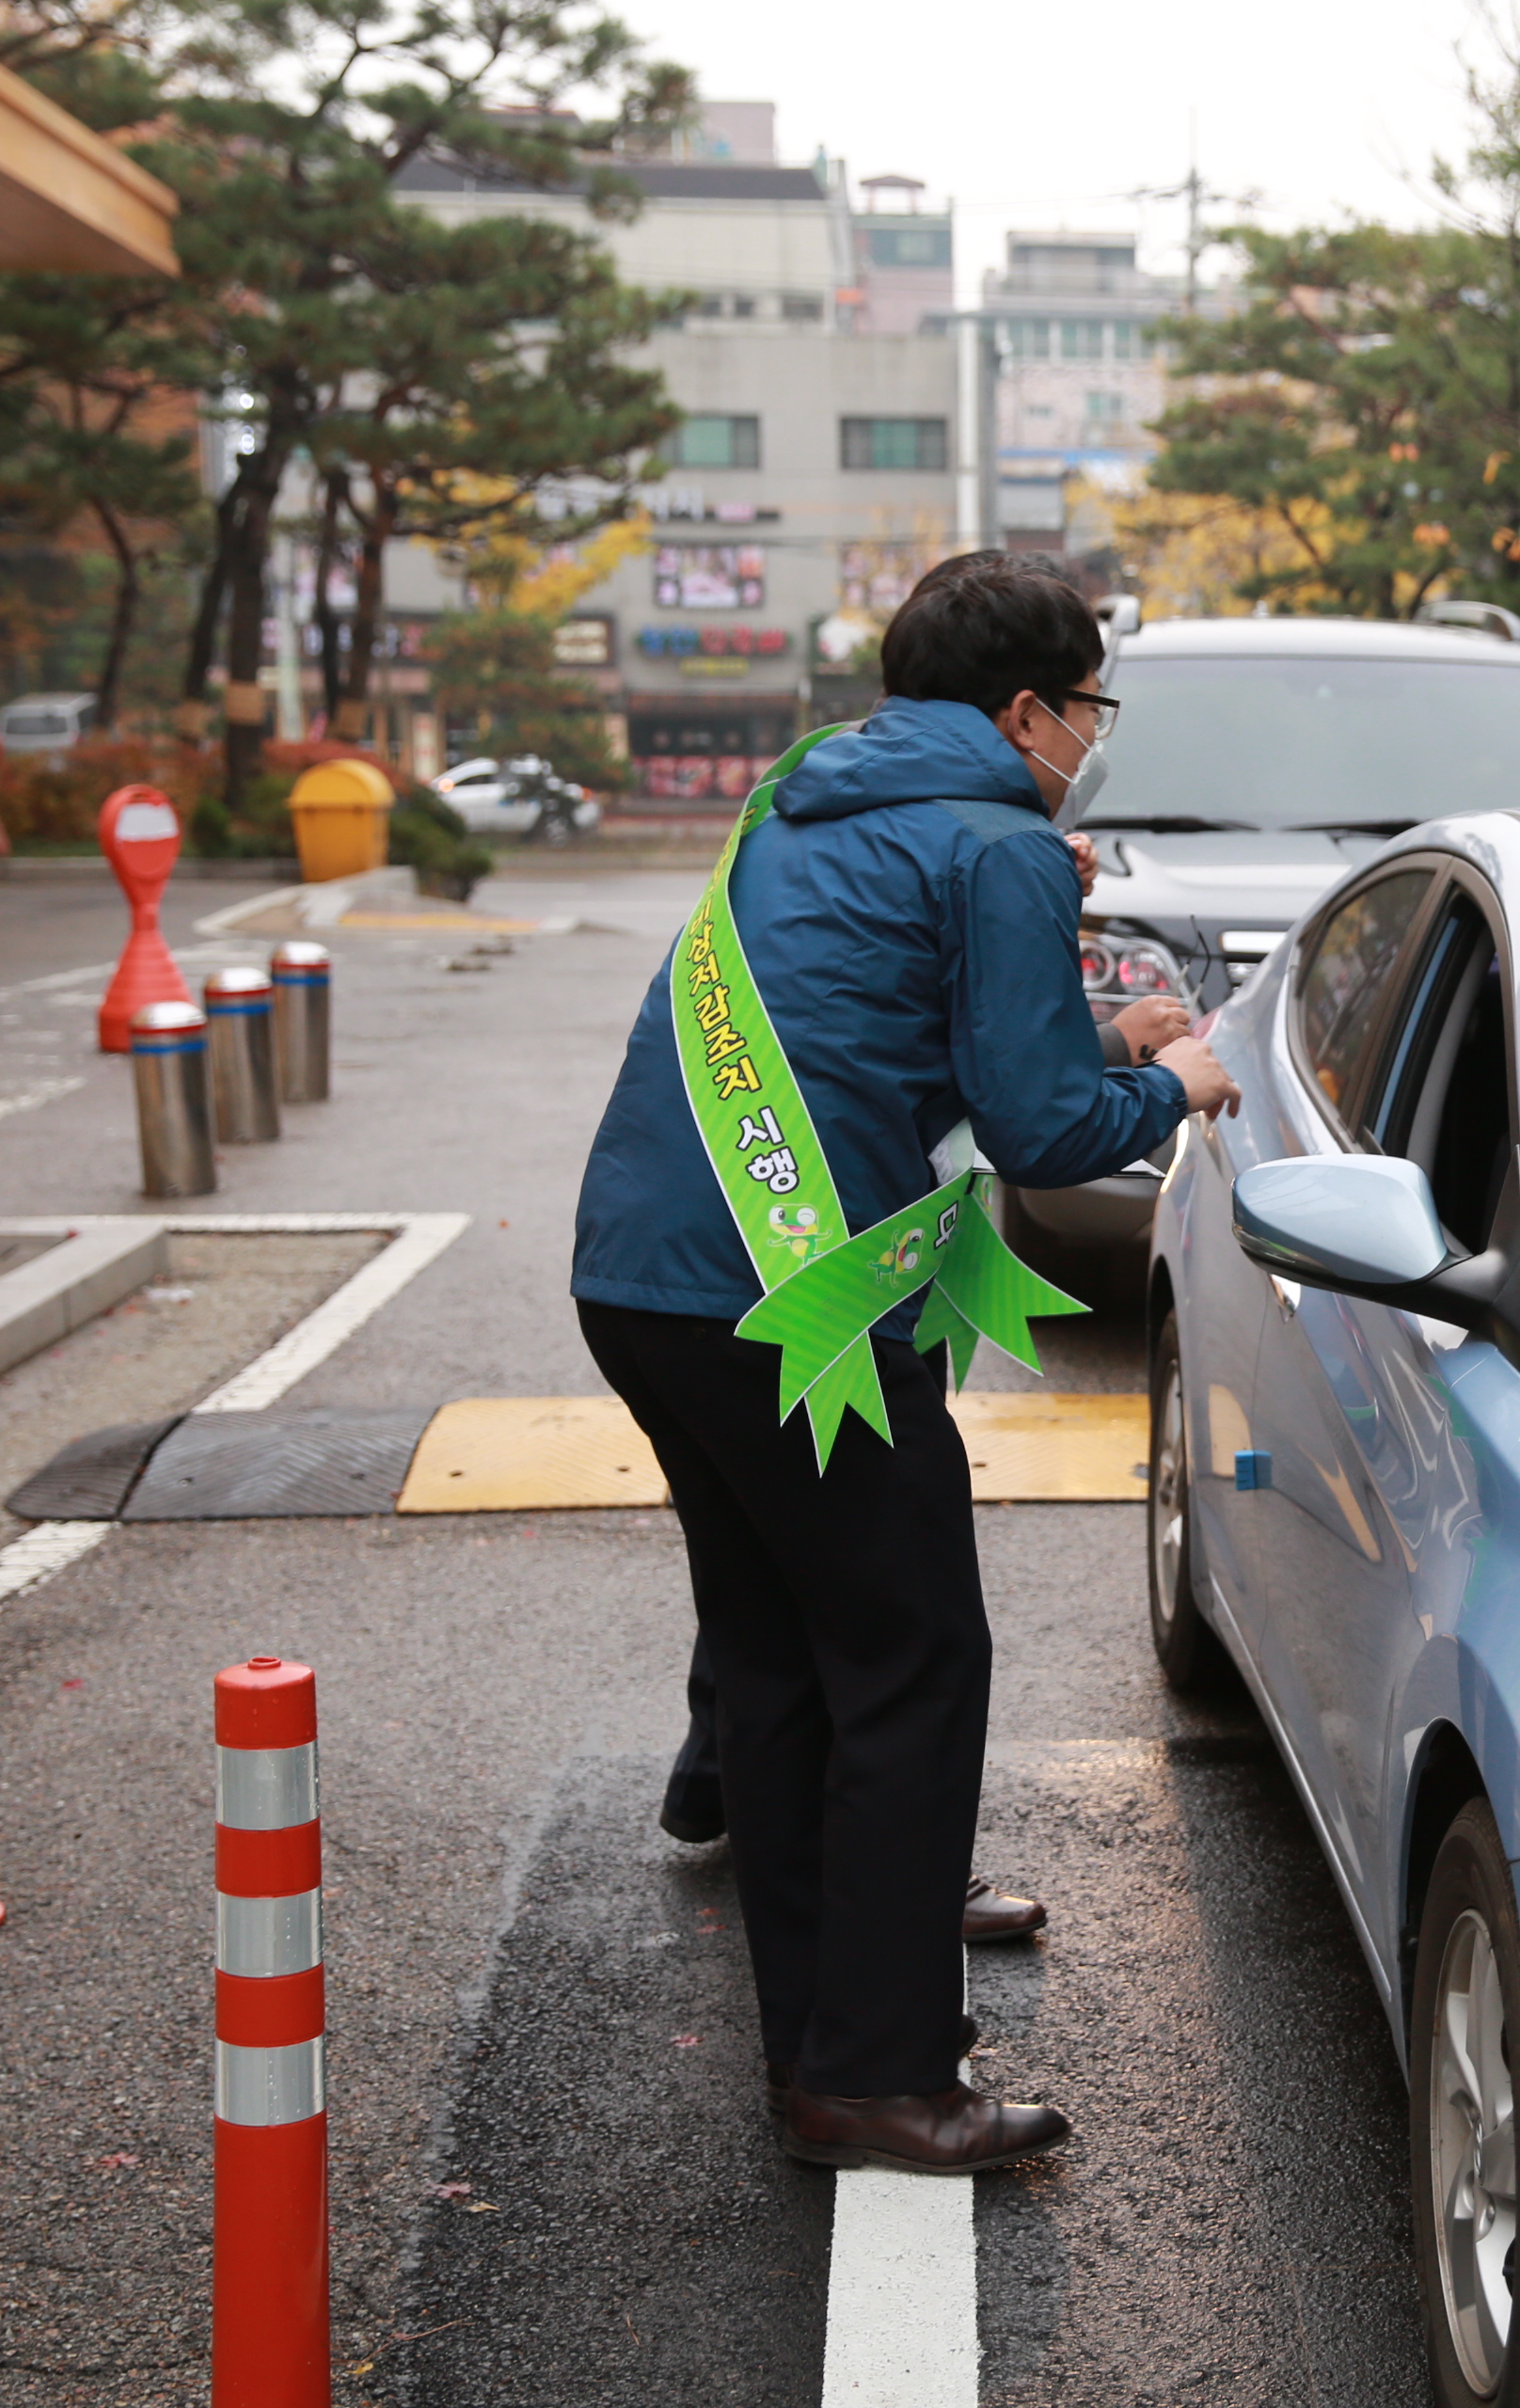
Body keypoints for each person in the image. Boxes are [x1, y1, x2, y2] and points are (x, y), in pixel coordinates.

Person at [570, 553, 1240, 2175]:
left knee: (789, 1659)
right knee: (910, 1657)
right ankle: (872, 2074)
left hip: (644, 1277)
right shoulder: (1003, 842)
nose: (1094, 732)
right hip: (792, 1304)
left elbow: (868, 1013)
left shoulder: (811, 796)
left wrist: (1104, 1036)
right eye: (1090, 704)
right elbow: (1041, 1129)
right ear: (1025, 709)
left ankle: (825, 2041)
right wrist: (1184, 1083)